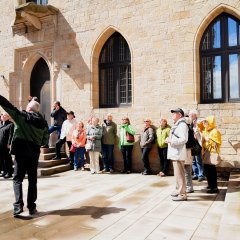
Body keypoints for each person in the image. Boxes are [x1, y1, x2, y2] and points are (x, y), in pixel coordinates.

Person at [0, 95, 48, 216]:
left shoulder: (22, 117)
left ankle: (18, 206)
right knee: (32, 180)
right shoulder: (44, 123)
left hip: (21, 154)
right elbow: (44, 141)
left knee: (17, 179)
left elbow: (8, 106)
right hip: (34, 154)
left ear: (28, 108)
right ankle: (31, 207)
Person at [166, 108, 188, 201]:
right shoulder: (178, 124)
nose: (173, 115)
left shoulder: (182, 125)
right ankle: (177, 190)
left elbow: (183, 139)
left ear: (180, 115)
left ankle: (182, 194)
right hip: (175, 153)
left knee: (180, 174)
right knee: (177, 174)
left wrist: (171, 141)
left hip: (178, 153)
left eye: (175, 113)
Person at [198, 116, 221, 194]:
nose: (204, 123)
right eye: (204, 122)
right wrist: (201, 120)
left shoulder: (215, 131)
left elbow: (217, 143)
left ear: (210, 122)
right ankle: (210, 184)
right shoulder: (205, 130)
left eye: (206, 122)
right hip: (206, 152)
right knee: (207, 169)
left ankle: (214, 187)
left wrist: (209, 139)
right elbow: (199, 126)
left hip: (212, 153)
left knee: (211, 170)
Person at [189, 109, 205, 182]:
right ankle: (195, 174)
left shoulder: (199, 121)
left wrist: (197, 133)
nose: (190, 116)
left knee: (198, 159)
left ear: (195, 115)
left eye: (191, 114)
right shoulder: (190, 122)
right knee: (193, 160)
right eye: (190, 114)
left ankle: (201, 175)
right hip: (191, 143)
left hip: (197, 142)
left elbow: (202, 130)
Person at [0, 112, 14, 178]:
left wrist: (9, 143)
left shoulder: (11, 124)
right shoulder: (1, 124)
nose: (2, 116)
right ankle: (4, 172)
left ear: (8, 117)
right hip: (1, 145)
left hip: (6, 145)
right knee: (2, 159)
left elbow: (11, 135)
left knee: (7, 159)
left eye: (4, 115)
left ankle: (9, 172)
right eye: (2, 115)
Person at [184, 116, 194, 193]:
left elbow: (187, 142)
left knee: (187, 170)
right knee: (187, 170)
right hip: (187, 150)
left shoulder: (188, 129)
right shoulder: (189, 129)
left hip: (187, 151)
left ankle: (189, 187)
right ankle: (188, 186)